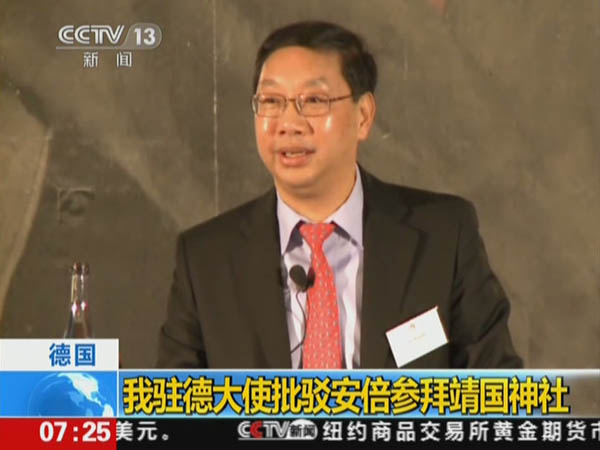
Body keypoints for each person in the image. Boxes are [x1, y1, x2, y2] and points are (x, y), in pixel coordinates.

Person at [156, 20, 523, 369]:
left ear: (363, 116)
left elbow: (499, 389)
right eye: (271, 102)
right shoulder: (206, 260)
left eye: (314, 101)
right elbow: (173, 404)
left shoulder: (443, 237)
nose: (289, 124)